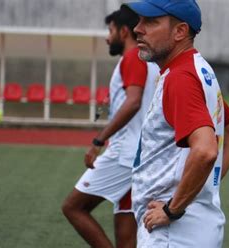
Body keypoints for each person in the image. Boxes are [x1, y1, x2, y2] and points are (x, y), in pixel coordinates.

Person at [124, 0, 229, 247]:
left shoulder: (181, 78)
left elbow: (206, 150)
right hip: (192, 225)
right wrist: (202, 190)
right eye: (140, 20)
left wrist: (172, 209)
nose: (137, 28)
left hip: (173, 232)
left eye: (151, 21)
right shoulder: (199, 70)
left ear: (180, 32)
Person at [62, 7, 159, 248]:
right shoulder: (151, 62)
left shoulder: (133, 57)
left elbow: (133, 101)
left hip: (125, 155)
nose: (108, 37)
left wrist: (98, 141)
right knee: (127, 241)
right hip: (143, 157)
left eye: (110, 30)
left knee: (73, 207)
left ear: (124, 32)